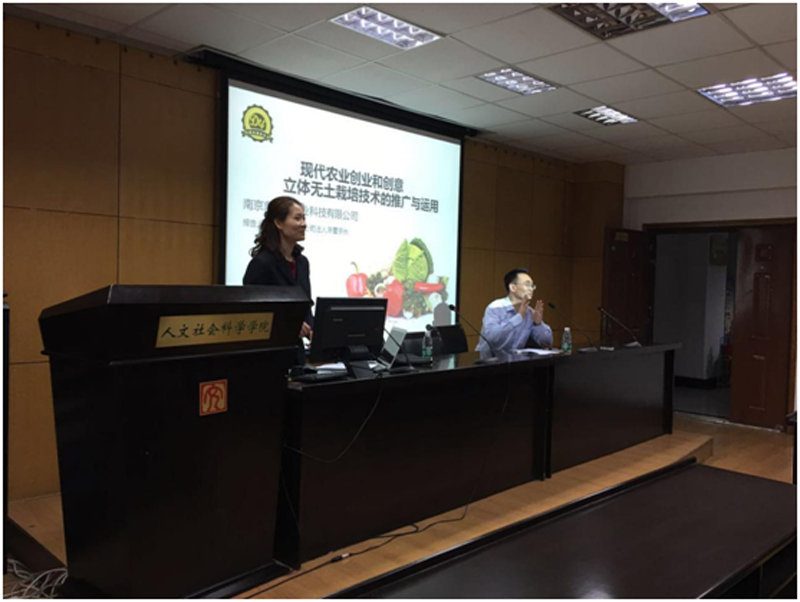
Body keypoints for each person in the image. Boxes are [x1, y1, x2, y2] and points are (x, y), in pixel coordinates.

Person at [244, 196, 314, 356]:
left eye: (304, 218)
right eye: (297, 218)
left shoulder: (302, 262)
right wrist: (290, 325)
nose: (304, 224)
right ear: (278, 223)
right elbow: (253, 313)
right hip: (267, 354)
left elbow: (306, 305)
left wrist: (312, 328)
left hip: (296, 352)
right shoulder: (262, 263)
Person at [476, 268, 553, 355]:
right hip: (489, 360)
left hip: (514, 360)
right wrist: (518, 318)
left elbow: (547, 343)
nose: (531, 289)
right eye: (527, 285)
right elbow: (492, 338)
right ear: (513, 287)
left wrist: (538, 324)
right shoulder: (495, 308)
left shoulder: (529, 312)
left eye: (532, 286)